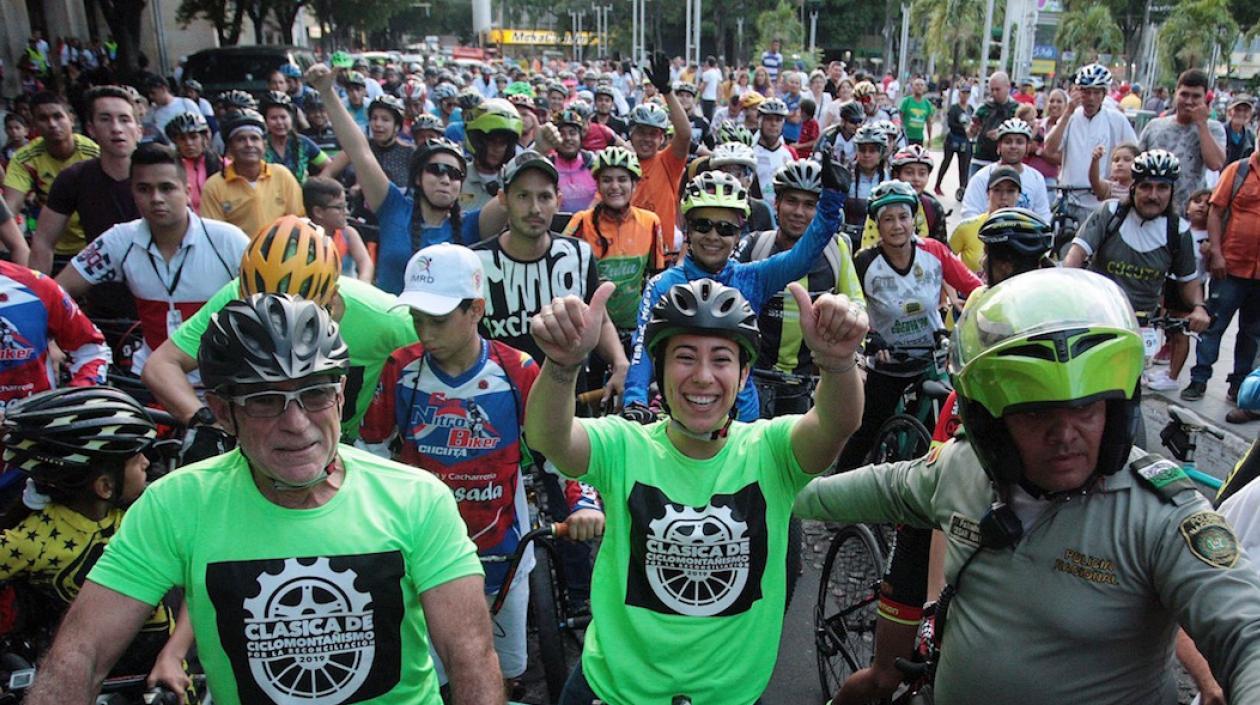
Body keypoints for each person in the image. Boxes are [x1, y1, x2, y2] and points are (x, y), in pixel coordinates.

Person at [795, 267, 1260, 705]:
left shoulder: (1161, 513)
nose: (1065, 433)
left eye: (1087, 410)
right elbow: (866, 489)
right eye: (1037, 414)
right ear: (992, 426)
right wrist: (757, 483)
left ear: (1118, 413)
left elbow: (1246, 628)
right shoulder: (963, 468)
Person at [27, 293, 506, 705]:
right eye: (264, 400)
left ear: (341, 395)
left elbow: (470, 658)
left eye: (314, 394)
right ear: (221, 412)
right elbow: (81, 654)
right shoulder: (175, 504)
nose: (296, 424)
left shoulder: (417, 499)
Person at [526, 272, 865, 705]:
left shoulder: (771, 450)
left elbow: (837, 423)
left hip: (731, 695)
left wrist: (837, 364)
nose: (703, 377)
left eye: (722, 359)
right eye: (685, 357)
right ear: (660, 370)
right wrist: (561, 366)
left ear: (744, 375)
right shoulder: (623, 446)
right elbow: (548, 436)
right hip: (613, 690)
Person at [832, 207, 1054, 705]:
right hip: (935, 525)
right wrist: (933, 608)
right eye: (1004, 265)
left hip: (1005, 529)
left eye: (1029, 266)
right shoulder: (977, 356)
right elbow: (942, 506)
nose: (1015, 279)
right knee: (886, 680)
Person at [360, 244, 604, 690]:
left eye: (437, 319)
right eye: (417, 318)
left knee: (503, 671)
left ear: (476, 309)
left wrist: (582, 502)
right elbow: (372, 452)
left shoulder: (518, 369)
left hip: (505, 548)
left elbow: (555, 450)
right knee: (430, 679)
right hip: (424, 555)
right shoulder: (400, 368)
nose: (424, 332)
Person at [623, 159, 849, 422]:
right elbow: (642, 347)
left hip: (742, 418)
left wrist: (831, 202)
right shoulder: (662, 285)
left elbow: (802, 256)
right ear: (688, 230)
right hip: (683, 412)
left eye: (726, 228)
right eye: (703, 225)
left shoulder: (753, 277)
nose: (713, 236)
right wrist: (635, 399)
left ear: (738, 235)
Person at [0, 387, 174, 678]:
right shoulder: (34, 539)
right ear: (105, 487)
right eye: (135, 458)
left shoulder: (144, 511)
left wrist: (174, 653)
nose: (147, 462)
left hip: (164, 670)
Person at [57, 142, 249, 378]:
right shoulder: (119, 239)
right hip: (148, 381)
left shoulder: (228, 240)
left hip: (220, 382)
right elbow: (56, 291)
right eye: (144, 189)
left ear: (188, 192)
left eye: (167, 188)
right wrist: (57, 341)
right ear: (132, 192)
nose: (156, 198)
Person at [309, 63, 495, 295]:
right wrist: (327, 93)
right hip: (388, 326)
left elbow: (513, 194)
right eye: (435, 170)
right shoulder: (393, 206)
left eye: (454, 174)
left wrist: (539, 146)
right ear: (417, 178)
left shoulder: (471, 225)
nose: (445, 179)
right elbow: (359, 151)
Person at [836, 181, 981, 469]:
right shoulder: (864, 262)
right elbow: (852, 304)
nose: (897, 226)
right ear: (877, 224)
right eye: (888, 219)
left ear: (914, 219)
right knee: (869, 427)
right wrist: (871, 338)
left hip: (931, 357)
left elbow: (973, 286)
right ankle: (837, 486)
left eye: (903, 217)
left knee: (941, 430)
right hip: (887, 361)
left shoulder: (935, 252)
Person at [471, 150, 629, 401]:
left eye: (544, 197)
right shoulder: (475, 263)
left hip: (568, 403)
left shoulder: (578, 254)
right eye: (523, 196)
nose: (534, 208)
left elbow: (600, 320)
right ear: (503, 199)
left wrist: (620, 362)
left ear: (558, 200)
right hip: (496, 405)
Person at [736, 158, 865, 416]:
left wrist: (856, 358)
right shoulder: (755, 245)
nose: (799, 212)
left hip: (809, 381)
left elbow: (857, 305)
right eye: (791, 201)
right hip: (753, 377)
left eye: (810, 205)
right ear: (777, 203)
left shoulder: (836, 249)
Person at [27, 86, 142, 274]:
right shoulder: (74, 179)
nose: (116, 128)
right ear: (91, 129)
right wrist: (39, 297)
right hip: (102, 287)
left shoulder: (161, 171)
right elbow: (43, 242)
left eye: (124, 119)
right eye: (105, 119)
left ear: (138, 130)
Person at [1184, 143, 1260, 403]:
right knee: (1213, 325)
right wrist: (1216, 253)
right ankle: (1199, 379)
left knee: (1251, 333)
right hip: (1230, 267)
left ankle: (1238, 385)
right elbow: (1216, 212)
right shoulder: (1237, 171)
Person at [562, 146, 664, 335]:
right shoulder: (581, 221)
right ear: (598, 186)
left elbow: (656, 276)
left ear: (635, 184)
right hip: (591, 327)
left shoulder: (651, 222)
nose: (615, 186)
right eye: (607, 180)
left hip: (635, 325)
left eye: (622, 179)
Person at [2, 92, 99, 265]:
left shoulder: (94, 153)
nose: (52, 124)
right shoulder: (24, 158)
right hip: (49, 248)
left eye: (58, 116)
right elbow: (10, 208)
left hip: (94, 245)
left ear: (71, 119)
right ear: (34, 125)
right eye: (43, 118)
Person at [1043, 64, 1138, 224]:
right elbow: (1050, 148)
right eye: (1086, 92)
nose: (1091, 98)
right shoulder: (1071, 117)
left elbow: (1135, 154)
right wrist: (1067, 113)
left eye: (1096, 92)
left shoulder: (1116, 119)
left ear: (1104, 94)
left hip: (1101, 201)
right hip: (1069, 199)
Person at [201, 110, 305, 239]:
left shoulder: (282, 175)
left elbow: (300, 220)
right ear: (229, 147)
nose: (249, 144)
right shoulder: (214, 186)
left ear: (264, 145)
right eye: (241, 139)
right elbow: (214, 236)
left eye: (254, 138)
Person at [1137, 68, 1226, 213]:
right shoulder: (1154, 126)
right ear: (1175, 94)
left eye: (1196, 96)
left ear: (1205, 99)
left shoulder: (1214, 129)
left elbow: (1215, 164)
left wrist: (1202, 125)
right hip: (1153, 210)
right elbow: (1137, 166)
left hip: (1190, 213)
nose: (1189, 101)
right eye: (1184, 94)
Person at [628, 53, 693, 237]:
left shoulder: (668, 162)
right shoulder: (622, 165)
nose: (646, 139)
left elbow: (685, 134)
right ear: (631, 133)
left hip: (662, 253)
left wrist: (667, 91)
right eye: (641, 132)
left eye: (653, 134)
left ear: (662, 138)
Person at [960, 118, 1051, 222]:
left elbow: (1043, 215)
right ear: (999, 145)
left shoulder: (1036, 178)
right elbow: (970, 214)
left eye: (1019, 142)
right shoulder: (981, 177)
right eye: (1008, 142)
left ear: (1027, 147)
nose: (1013, 146)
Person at [950, 165, 1025, 272]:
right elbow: (942, 265)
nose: (1004, 197)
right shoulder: (966, 228)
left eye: (1010, 191)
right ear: (988, 193)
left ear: (1018, 195)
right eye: (997, 190)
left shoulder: (1026, 231)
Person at [303, 176, 373, 283]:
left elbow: (365, 263)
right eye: (339, 207)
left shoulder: (348, 234)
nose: (347, 212)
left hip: (346, 293)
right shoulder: (303, 236)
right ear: (318, 212)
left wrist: (362, 284)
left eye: (346, 206)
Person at [259, 91, 328, 185]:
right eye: (273, 118)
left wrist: (314, 184)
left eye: (283, 117)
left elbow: (328, 165)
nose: (279, 122)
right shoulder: (259, 144)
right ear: (265, 121)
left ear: (291, 118)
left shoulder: (303, 143)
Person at [709, 141, 775, 236]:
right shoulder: (704, 207)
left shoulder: (761, 210)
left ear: (750, 179)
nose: (731, 180)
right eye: (724, 173)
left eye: (738, 174)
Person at [164, 111, 221, 214]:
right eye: (182, 139)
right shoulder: (170, 167)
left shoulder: (220, 163)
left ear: (204, 138)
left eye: (193, 137)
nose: (188, 143)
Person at [967, 72, 1017, 179]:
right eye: (992, 89)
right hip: (981, 158)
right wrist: (972, 129)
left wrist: (1002, 133)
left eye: (997, 89)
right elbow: (970, 133)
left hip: (1005, 161)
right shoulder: (983, 108)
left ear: (1007, 87)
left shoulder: (1016, 109)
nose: (994, 93)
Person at [549, 107, 598, 212]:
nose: (567, 138)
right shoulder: (548, 166)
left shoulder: (593, 163)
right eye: (562, 134)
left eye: (572, 133)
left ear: (580, 137)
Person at [753, 98, 797, 206]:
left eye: (778, 120)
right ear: (759, 121)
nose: (773, 124)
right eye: (769, 119)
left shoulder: (789, 154)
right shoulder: (750, 153)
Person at [814, 100, 865, 165]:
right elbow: (817, 158)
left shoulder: (863, 136)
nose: (858, 125)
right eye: (853, 121)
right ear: (843, 121)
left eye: (860, 121)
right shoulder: (829, 135)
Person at [898, 78, 934, 147]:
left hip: (919, 138)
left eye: (921, 85)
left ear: (925, 88)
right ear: (912, 87)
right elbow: (899, 118)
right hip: (906, 137)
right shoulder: (906, 101)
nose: (919, 87)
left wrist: (930, 139)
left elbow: (929, 123)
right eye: (917, 85)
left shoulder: (927, 104)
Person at [1224, 94, 1256, 165]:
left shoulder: (1251, 137)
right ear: (1229, 112)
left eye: (1245, 110)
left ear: (1250, 114)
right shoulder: (1221, 132)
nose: (1241, 113)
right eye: (1237, 109)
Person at [699, 56, 723, 121]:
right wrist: (718, 98)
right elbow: (719, 86)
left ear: (707, 63)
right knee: (711, 116)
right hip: (713, 98)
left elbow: (703, 86)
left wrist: (699, 94)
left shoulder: (706, 73)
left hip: (706, 97)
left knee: (706, 116)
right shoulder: (717, 73)